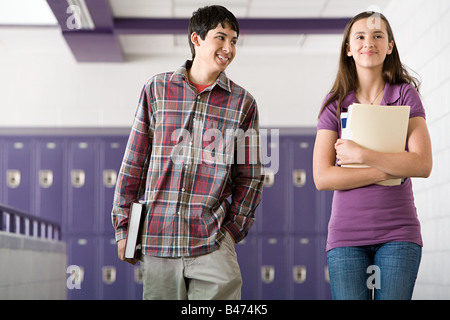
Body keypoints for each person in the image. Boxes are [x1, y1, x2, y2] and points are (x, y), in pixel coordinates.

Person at [111, 5, 264, 300]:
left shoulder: (243, 103)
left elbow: (250, 176)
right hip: (158, 241)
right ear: (196, 39)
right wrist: (124, 230)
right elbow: (134, 163)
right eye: (221, 38)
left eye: (234, 41)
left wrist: (232, 231)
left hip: (213, 242)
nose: (228, 48)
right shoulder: (156, 89)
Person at [313, 11, 432, 300]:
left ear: (390, 45)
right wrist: (391, 169)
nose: (370, 42)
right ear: (348, 48)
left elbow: (422, 163)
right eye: (361, 36)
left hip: (399, 234)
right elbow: (323, 177)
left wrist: (360, 154)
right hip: (346, 237)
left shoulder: (405, 95)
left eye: (378, 36)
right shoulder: (334, 103)